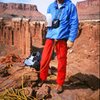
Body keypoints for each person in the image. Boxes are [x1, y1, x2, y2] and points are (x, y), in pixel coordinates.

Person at [39, 0, 79, 94]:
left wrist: (71, 39)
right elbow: (48, 22)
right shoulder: (51, 6)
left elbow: (74, 23)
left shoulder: (71, 6)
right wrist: (49, 27)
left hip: (62, 38)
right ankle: (42, 78)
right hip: (50, 37)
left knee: (62, 61)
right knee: (44, 59)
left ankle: (60, 83)